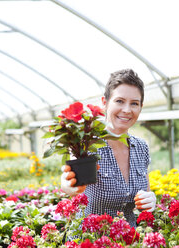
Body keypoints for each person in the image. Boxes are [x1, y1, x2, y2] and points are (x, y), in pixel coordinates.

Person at [61, 69, 156, 227]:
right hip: (90, 238)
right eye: (119, 101)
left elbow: (145, 192)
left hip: (129, 239)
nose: (127, 110)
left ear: (140, 107)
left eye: (134, 103)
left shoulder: (141, 147)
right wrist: (68, 185)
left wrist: (150, 200)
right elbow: (70, 184)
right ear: (105, 103)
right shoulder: (86, 144)